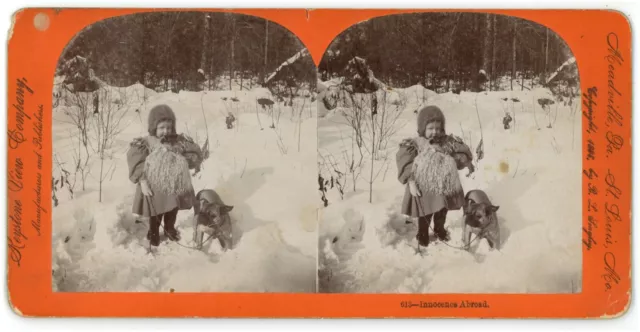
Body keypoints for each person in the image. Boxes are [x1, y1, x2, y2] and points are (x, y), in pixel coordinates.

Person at [396, 105, 473, 247]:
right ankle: (423, 232)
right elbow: (406, 163)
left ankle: (439, 229)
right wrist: (411, 181)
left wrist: (461, 159)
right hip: (425, 186)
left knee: (442, 209)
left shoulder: (447, 142)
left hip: (444, 184)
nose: (434, 132)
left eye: (438, 128)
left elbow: (463, 152)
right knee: (426, 211)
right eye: (430, 128)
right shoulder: (416, 144)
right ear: (422, 128)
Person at [127, 104, 203, 246]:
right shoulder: (147, 143)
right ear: (154, 127)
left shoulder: (178, 141)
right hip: (155, 185)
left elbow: (194, 155)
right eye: (161, 128)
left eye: (168, 127)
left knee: (173, 209)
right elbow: (138, 163)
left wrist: (186, 157)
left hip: (174, 183)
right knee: (156, 211)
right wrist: (143, 181)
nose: (165, 131)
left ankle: (169, 228)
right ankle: (154, 232)